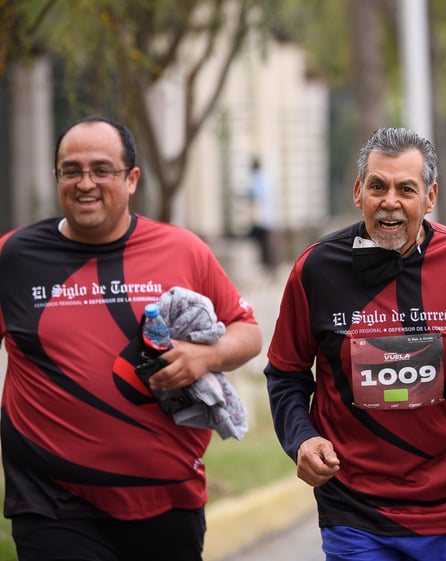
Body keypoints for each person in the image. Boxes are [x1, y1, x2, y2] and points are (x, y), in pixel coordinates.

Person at [264, 127, 446, 560]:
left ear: (430, 198)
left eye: (406, 189)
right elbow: (286, 374)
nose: (390, 201)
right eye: (378, 186)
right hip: (354, 510)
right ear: (358, 192)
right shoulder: (316, 269)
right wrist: (302, 439)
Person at [0, 116, 262, 561]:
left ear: (132, 178)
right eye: (72, 170)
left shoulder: (183, 250)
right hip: (53, 503)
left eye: (102, 170)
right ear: (57, 177)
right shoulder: (14, 257)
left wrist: (206, 357)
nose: (86, 183)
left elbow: (248, 332)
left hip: (168, 501)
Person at [248, 156, 279, 269]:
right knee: (269, 242)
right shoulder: (267, 178)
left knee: (262, 242)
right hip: (271, 216)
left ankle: (266, 264)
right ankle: (271, 265)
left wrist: (254, 216)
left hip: (261, 216)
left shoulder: (255, 179)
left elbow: (256, 199)